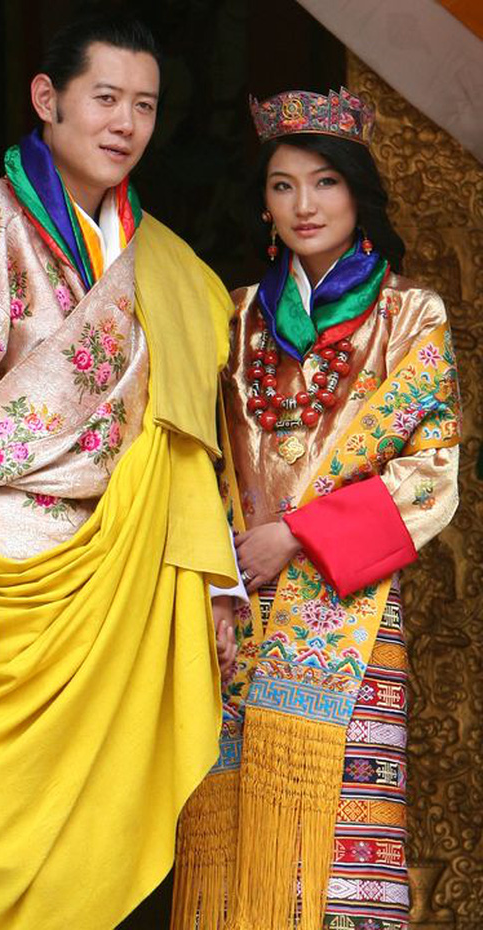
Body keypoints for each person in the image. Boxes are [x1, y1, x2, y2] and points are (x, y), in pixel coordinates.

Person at [0, 15, 241, 930]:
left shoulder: (170, 267)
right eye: (105, 98)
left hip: (125, 583)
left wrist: (216, 583)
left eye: (144, 105)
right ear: (48, 98)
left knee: (104, 846)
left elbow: (188, 443)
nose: (125, 123)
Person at [171, 88, 461, 930]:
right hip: (233, 608)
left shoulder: (411, 316)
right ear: (263, 203)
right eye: (283, 185)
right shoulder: (233, 320)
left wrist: (296, 535)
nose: (304, 204)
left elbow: (430, 472)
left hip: (349, 609)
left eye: (325, 182)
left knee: (339, 853)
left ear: (357, 194)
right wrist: (216, 566)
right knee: (231, 850)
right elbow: (192, 459)